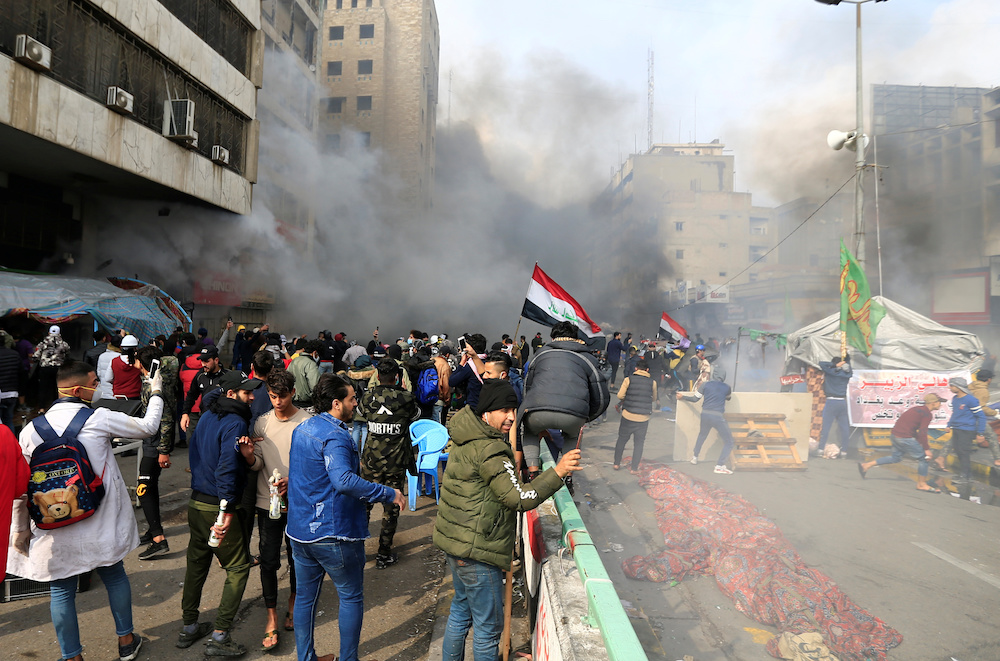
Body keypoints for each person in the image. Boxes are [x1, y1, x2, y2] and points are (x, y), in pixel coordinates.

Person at [9, 360, 164, 661]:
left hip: (54, 526)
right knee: (115, 575)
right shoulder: (99, 418)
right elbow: (148, 426)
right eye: (95, 381)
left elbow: (21, 485)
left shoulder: (29, 432)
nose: (99, 386)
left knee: (61, 591)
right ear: (79, 389)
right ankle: (126, 643)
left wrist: (21, 529)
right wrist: (156, 392)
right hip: (99, 520)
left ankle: (72, 657)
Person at [434, 379, 582, 661]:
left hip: (456, 544)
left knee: (460, 613)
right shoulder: (490, 449)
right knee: (489, 630)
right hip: (477, 551)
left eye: (513, 410)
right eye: (503, 410)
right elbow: (518, 498)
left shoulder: (466, 437)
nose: (511, 417)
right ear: (486, 412)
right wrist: (559, 471)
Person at [286, 374, 405, 661]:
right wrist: (387, 492)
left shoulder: (303, 428)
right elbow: (343, 481)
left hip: (301, 532)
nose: (356, 404)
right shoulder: (336, 436)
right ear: (336, 403)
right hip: (334, 532)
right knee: (350, 597)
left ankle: (306, 658)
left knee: (305, 598)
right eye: (352, 399)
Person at [177, 371, 262, 656]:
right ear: (230, 394)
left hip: (196, 503)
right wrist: (226, 511)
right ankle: (220, 636)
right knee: (238, 568)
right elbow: (227, 467)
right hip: (218, 505)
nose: (251, 397)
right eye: (245, 393)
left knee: (196, 564)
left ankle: (189, 627)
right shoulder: (235, 421)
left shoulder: (208, 415)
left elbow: (212, 395)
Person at [249, 369, 312, 652]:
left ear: (293, 393)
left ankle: (294, 603)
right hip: (267, 504)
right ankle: (271, 615)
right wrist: (249, 455)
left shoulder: (307, 423)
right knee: (269, 561)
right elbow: (258, 465)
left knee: (298, 559)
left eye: (282, 396)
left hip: (298, 504)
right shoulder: (261, 424)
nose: (277, 402)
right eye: (273, 396)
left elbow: (315, 468)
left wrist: (294, 481)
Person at [519, 321, 610, 478]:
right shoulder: (587, 357)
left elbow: (527, 388)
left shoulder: (539, 355)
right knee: (572, 436)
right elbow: (601, 396)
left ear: (553, 337)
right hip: (573, 414)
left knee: (528, 431)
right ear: (575, 337)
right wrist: (587, 416)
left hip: (537, 412)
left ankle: (533, 474)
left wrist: (530, 408)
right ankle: (567, 478)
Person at [359, 358, 420, 569]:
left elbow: (361, 414)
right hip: (395, 462)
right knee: (391, 508)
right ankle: (383, 555)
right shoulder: (406, 398)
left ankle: (357, 553)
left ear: (377, 376)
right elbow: (416, 415)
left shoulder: (367, 397)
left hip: (370, 462)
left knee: (364, 507)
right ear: (397, 377)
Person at [134, 345, 179, 559]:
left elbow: (166, 418)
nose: (133, 364)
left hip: (155, 444)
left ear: (143, 365)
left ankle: (159, 539)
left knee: (144, 487)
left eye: (136, 360)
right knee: (150, 487)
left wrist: (163, 450)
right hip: (151, 442)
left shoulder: (155, 386)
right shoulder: (158, 379)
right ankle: (153, 530)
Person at [857, 393, 944, 492]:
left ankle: (866, 465)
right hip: (904, 438)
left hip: (895, 435)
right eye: (939, 402)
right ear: (933, 403)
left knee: (895, 458)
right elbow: (923, 432)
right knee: (925, 458)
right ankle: (921, 484)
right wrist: (926, 449)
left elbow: (912, 428)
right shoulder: (927, 414)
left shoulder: (917, 409)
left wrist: (919, 442)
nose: (940, 404)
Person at [679, 368, 736, 475]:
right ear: (723, 376)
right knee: (729, 441)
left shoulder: (705, 385)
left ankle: (695, 457)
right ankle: (719, 465)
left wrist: (683, 397)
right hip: (718, 417)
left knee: (702, 435)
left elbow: (695, 399)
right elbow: (728, 398)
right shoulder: (727, 387)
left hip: (705, 414)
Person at [613, 358, 658, 473]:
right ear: (647, 370)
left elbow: (620, 395)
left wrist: (629, 398)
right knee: (639, 444)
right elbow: (653, 398)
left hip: (628, 416)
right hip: (643, 419)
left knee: (622, 440)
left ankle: (616, 464)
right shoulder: (652, 382)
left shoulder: (628, 379)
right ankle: (634, 468)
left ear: (636, 369)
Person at [181, 345, 229, 439]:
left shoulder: (227, 376)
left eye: (206, 361)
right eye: (202, 361)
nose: (203, 364)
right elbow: (191, 395)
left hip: (222, 420)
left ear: (216, 360)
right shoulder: (200, 376)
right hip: (205, 418)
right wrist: (185, 413)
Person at [944, 377, 986, 482]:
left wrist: (980, 433)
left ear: (959, 387)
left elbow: (981, 416)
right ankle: (967, 474)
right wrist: (949, 425)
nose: (950, 388)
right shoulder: (955, 399)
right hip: (957, 428)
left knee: (964, 452)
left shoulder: (970, 400)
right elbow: (955, 413)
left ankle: (964, 476)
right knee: (958, 451)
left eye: (952, 386)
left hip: (967, 430)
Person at [816, 354, 853, 459]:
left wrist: (835, 365)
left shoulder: (830, 372)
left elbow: (821, 364)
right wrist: (846, 360)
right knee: (844, 428)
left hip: (831, 402)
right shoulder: (847, 374)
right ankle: (844, 451)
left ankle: (820, 449)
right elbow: (849, 367)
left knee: (826, 427)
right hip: (842, 402)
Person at [33, 325, 71, 409]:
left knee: (43, 388)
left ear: (49, 332)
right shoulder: (64, 344)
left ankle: (42, 408)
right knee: (57, 388)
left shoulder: (43, 343)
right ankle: (56, 406)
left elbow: (35, 356)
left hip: (45, 368)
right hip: (58, 368)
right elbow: (68, 354)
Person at [969, 369, 1000, 467]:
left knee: (957, 438)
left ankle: (941, 457)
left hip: (964, 417)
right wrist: (994, 413)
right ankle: (998, 459)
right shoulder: (983, 390)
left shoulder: (970, 386)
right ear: (989, 379)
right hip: (976, 418)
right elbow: (981, 407)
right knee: (992, 436)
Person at [287, 339, 322, 409]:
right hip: (306, 402)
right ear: (314, 352)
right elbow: (314, 386)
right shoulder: (311, 364)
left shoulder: (294, 361)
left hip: (292, 400)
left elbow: (287, 378)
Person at [109, 334, 142, 400]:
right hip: (135, 396)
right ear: (135, 348)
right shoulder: (139, 362)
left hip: (118, 396)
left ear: (121, 347)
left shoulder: (114, 361)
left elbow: (108, 378)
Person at [0, 340, 20, 433]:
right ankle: (12, 443)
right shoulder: (14, 354)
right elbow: (22, 373)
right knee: (9, 420)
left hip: (2, 392)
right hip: (12, 392)